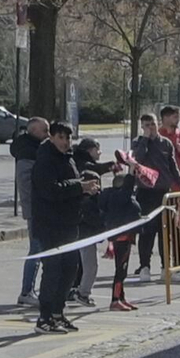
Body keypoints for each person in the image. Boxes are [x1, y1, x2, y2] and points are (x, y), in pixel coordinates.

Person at [33, 121, 99, 334]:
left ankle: (57, 313)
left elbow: (71, 187)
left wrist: (85, 190)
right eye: (60, 137)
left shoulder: (68, 158)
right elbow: (51, 190)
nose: (65, 142)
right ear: (51, 137)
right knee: (53, 270)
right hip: (50, 224)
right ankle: (44, 317)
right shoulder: (45, 159)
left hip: (69, 223)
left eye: (68, 138)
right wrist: (79, 186)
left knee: (70, 269)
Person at [132, 112, 180, 282]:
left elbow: (172, 165)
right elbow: (137, 159)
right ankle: (144, 266)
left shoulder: (165, 143)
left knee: (165, 232)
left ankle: (165, 267)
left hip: (163, 193)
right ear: (142, 127)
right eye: (147, 125)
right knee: (147, 232)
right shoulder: (138, 142)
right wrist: (145, 140)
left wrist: (179, 183)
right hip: (146, 192)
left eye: (152, 124)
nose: (151, 128)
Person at [69, 137, 113, 304]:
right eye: (97, 149)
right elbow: (92, 218)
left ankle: (76, 290)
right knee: (90, 266)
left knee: (83, 265)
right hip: (85, 234)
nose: (99, 152)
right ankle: (82, 293)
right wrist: (105, 225)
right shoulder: (86, 201)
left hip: (85, 233)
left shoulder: (92, 198)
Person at [11, 117, 48, 304]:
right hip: (36, 209)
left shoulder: (37, 149)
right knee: (36, 249)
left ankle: (31, 290)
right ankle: (26, 291)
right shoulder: (27, 152)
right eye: (44, 131)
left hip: (41, 208)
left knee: (40, 249)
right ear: (33, 131)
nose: (47, 134)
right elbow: (26, 186)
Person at [100, 154, 143, 311]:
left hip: (125, 236)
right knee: (121, 270)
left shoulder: (113, 197)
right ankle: (115, 299)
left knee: (122, 268)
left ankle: (122, 297)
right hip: (122, 237)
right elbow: (128, 188)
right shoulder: (120, 197)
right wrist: (131, 171)